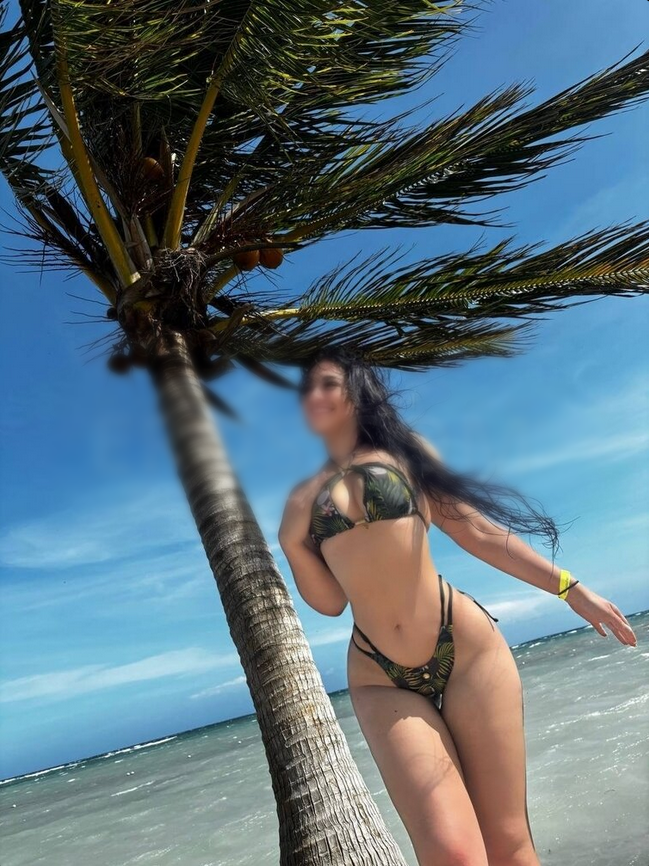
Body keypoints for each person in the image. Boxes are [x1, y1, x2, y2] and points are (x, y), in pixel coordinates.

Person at [278, 345, 637, 866]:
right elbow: (330, 602)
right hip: (379, 675)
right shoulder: (303, 498)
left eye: (328, 383)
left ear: (356, 392)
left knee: (509, 846)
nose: (314, 395)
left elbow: (478, 533)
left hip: (464, 649)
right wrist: (292, 543)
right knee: (452, 854)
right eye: (307, 387)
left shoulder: (405, 454)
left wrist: (571, 589)